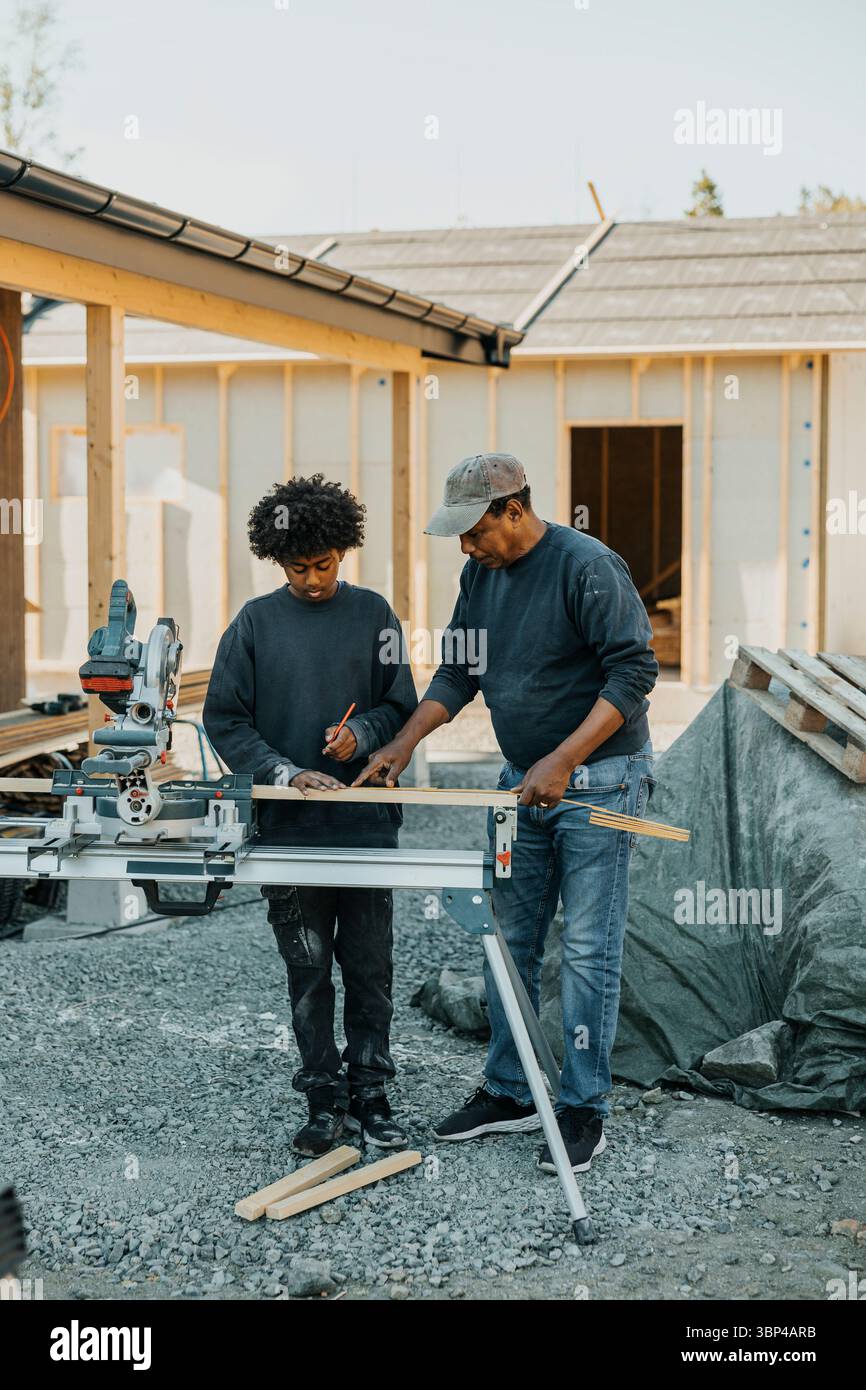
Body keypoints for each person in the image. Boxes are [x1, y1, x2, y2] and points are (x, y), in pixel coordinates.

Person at [354, 453, 658, 1174]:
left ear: (514, 510)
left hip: (602, 783)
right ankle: (512, 1091)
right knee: (506, 939)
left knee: (586, 951)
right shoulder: (480, 576)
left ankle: (584, 1109)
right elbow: (460, 671)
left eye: (473, 531)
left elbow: (634, 672)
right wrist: (401, 744)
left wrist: (565, 759)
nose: (464, 546)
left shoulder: (588, 567)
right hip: (520, 785)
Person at [203, 473, 418, 1156]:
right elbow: (224, 719)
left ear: (343, 552)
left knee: (369, 967)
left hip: (365, 827)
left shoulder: (376, 615)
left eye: (324, 565)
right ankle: (324, 1099)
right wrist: (284, 772)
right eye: (299, 568)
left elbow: (402, 706)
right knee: (308, 969)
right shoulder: (255, 626)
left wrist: (365, 735)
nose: (314, 579)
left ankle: (373, 1092)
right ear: (276, 559)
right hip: (287, 829)